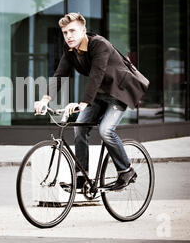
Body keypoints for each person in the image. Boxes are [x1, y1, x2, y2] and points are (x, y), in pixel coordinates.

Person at [34, 12, 140, 191]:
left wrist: (82, 104)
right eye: (65, 32)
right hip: (99, 94)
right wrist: (45, 99)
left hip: (119, 92)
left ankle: (126, 170)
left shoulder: (100, 45)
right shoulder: (70, 49)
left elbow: (96, 75)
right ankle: (81, 177)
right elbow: (60, 74)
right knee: (79, 126)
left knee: (105, 130)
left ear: (83, 30)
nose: (69, 36)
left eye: (73, 31)